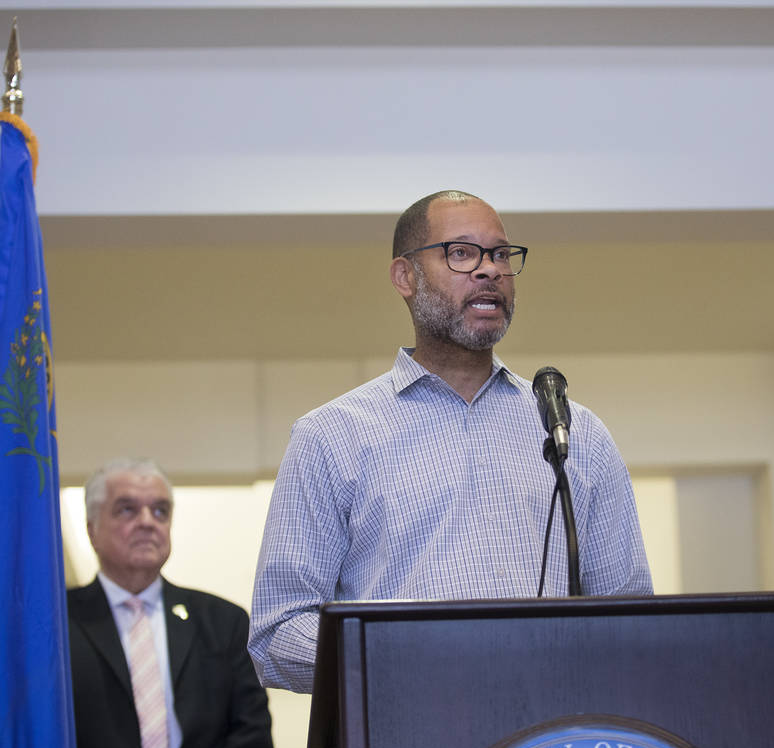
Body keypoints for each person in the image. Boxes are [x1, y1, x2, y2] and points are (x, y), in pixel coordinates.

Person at [249, 189, 652, 693]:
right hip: (401, 736)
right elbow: (277, 636)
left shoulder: (573, 430)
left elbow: (633, 618)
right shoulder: (332, 436)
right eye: (461, 254)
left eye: (501, 254)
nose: (490, 271)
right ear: (405, 277)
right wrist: (414, 659)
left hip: (551, 745)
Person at [67, 458, 275, 748]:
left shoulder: (223, 622)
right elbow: (42, 744)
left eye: (160, 511)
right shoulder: (56, 625)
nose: (148, 522)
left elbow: (252, 742)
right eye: (127, 510)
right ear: (91, 528)